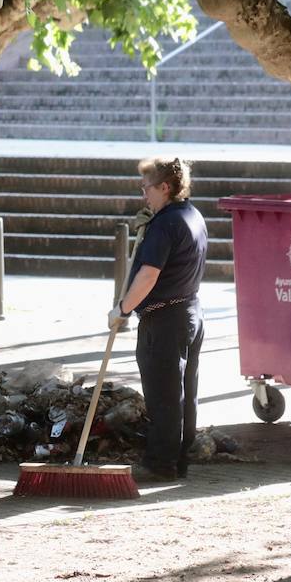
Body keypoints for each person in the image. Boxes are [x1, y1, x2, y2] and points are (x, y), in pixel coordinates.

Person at [109, 157, 207, 483]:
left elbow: (148, 276)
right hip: (189, 313)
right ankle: (180, 457)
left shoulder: (165, 225)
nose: (143, 194)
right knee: (184, 392)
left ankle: (161, 463)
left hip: (165, 319)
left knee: (163, 395)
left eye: (146, 187)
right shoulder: (191, 215)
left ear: (165, 187)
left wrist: (122, 309)